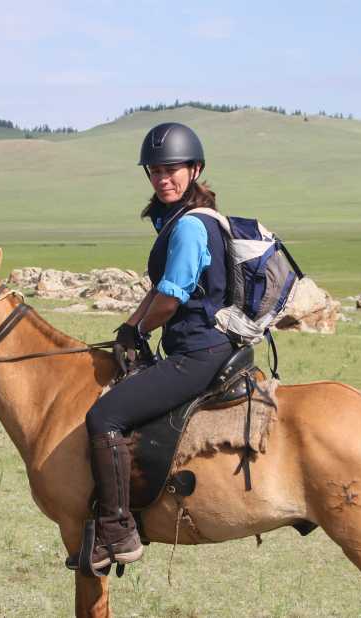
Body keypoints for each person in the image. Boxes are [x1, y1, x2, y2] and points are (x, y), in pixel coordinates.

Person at [74, 123, 234, 570]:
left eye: (173, 170)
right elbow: (160, 289)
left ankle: (117, 531)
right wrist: (128, 327)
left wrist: (142, 330)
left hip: (198, 353)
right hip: (201, 346)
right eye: (156, 171)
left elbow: (170, 298)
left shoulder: (189, 228)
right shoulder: (181, 220)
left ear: (195, 169)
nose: (164, 178)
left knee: (105, 415)